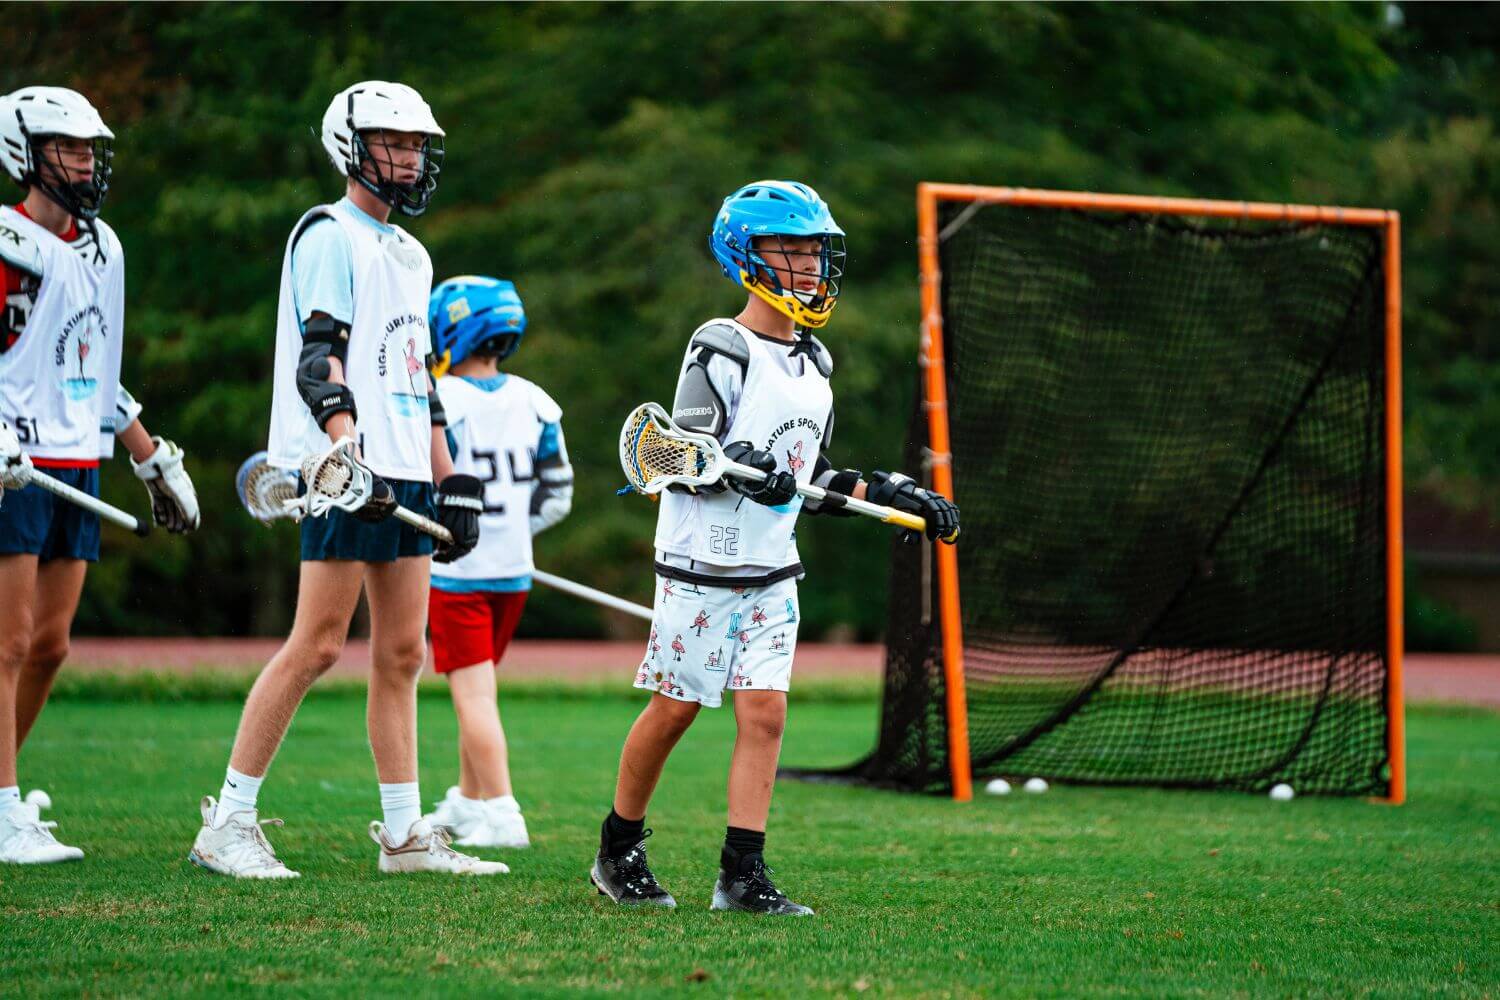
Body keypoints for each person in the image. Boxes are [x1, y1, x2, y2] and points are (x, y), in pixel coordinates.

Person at [591, 181, 959, 913]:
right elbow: (679, 456)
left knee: (766, 714)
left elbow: (810, 475)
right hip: (702, 568)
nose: (806, 266)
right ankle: (616, 850)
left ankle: (741, 874)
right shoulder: (719, 348)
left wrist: (888, 491)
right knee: (675, 710)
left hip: (770, 569)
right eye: (787, 250)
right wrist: (736, 467)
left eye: (815, 251)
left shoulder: (815, 367)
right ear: (744, 256)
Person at [188, 81, 502, 878]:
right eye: (391, 142)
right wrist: (346, 449)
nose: (407, 155)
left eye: (415, 144)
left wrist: (451, 476)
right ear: (352, 147)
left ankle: (403, 837)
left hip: (404, 470)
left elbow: (414, 378)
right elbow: (319, 359)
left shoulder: (411, 251)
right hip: (340, 470)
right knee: (318, 643)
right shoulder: (328, 234)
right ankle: (227, 822)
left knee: (402, 654)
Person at [0, 86, 199, 865]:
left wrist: (151, 457)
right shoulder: (7, 245)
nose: (86, 162)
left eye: (89, 149)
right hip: (16, 464)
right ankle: (5, 808)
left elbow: (97, 364)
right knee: (8, 640)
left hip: (79, 460)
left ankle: (3, 795)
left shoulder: (105, 247)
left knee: (50, 645)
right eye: (70, 149)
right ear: (27, 153)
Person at [424, 276, 574, 849]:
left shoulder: (441, 404)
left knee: (474, 696)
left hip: (458, 575)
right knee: (480, 689)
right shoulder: (536, 402)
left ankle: (504, 812)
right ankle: (468, 800)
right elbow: (556, 493)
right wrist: (514, 533)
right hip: (514, 574)